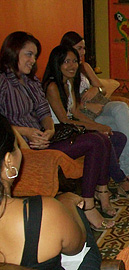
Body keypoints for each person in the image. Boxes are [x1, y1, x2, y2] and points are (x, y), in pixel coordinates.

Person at [0, 31, 115, 230]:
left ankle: (100, 193)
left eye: (35, 55)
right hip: (20, 145)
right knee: (96, 141)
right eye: (29, 54)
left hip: (45, 140)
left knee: (101, 140)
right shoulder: (2, 82)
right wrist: (26, 133)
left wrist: (49, 131)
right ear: (14, 51)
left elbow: (44, 112)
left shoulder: (31, 81)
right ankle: (88, 205)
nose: (33, 60)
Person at [0, 114, 102, 269]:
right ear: (8, 161)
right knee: (79, 226)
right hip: (54, 229)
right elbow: (77, 246)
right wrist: (67, 203)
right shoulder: (42, 212)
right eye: (17, 147)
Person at [42, 45, 129, 199]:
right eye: (67, 62)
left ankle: (100, 185)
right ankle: (120, 181)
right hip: (58, 134)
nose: (72, 65)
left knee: (119, 137)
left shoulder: (68, 83)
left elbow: (75, 112)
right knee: (103, 140)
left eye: (74, 61)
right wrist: (96, 127)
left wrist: (98, 126)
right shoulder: (52, 86)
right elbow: (65, 120)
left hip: (71, 130)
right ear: (57, 63)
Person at [60, 31, 129, 186]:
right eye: (79, 48)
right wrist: (86, 105)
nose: (83, 52)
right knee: (115, 126)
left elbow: (102, 89)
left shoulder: (85, 67)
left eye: (84, 48)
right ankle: (128, 171)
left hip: (100, 105)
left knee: (121, 107)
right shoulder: (67, 69)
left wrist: (96, 89)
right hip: (86, 113)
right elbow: (69, 103)